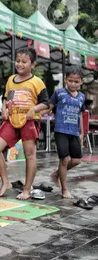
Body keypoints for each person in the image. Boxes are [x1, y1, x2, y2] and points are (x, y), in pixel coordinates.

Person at [0, 48, 49, 200]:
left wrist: (34, 109)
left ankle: (27, 190)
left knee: (30, 155)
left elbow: (46, 103)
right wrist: (3, 107)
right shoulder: (11, 80)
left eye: (24, 61)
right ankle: (5, 182)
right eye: (18, 61)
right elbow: (7, 97)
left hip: (29, 122)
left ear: (33, 64)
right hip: (11, 120)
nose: (20, 64)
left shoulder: (37, 82)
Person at [46, 66, 85, 199]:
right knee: (65, 160)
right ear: (65, 80)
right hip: (61, 130)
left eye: (76, 81)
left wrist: (82, 133)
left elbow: (80, 115)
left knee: (76, 160)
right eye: (70, 81)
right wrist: (37, 112)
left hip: (74, 132)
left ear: (81, 82)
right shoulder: (59, 93)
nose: (73, 84)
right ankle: (64, 189)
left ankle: (56, 174)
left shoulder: (82, 97)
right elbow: (49, 108)